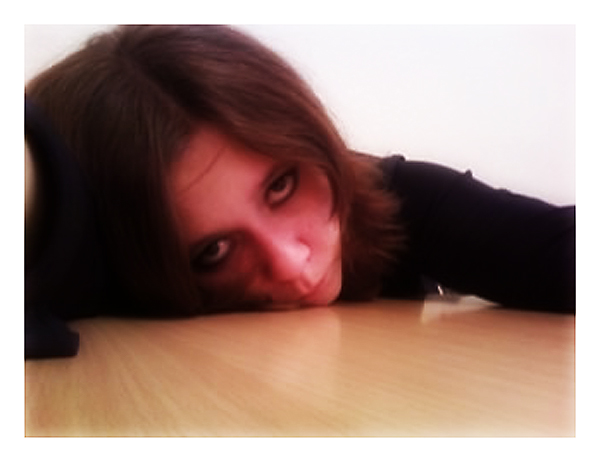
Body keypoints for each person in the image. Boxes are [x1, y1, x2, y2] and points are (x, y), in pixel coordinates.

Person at [25, 25, 575, 358]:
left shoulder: (401, 196)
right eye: (213, 251)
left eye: (281, 186)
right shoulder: (118, 269)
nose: (292, 266)